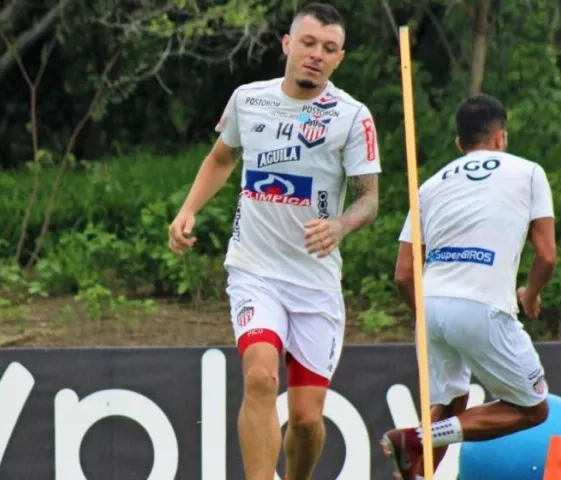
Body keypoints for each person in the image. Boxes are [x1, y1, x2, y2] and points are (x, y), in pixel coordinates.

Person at [167, 3, 382, 479]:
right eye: (307, 43)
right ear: (287, 44)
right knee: (261, 377)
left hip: (314, 282)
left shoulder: (352, 117)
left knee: (306, 420)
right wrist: (189, 209)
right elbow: (222, 158)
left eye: (328, 49)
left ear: (338, 58)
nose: (316, 55)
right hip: (255, 270)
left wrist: (342, 225)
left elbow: (369, 199)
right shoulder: (249, 99)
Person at [380, 94, 557, 480]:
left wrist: (428, 318)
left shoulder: (428, 186)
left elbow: (403, 274)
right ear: (501, 137)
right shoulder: (528, 172)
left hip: (431, 305)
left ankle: (419, 449)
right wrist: (530, 293)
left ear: (460, 145)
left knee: (452, 402)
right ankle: (419, 435)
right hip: (482, 306)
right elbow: (546, 255)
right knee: (532, 408)